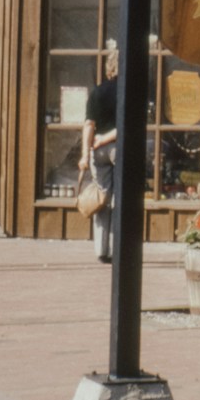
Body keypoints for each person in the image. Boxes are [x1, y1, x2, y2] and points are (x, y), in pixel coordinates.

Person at [79, 43, 118, 263]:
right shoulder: (128, 93)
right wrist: (110, 137)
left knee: (102, 197)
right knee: (119, 198)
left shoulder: (97, 92)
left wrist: (85, 155)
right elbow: (128, 126)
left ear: (108, 68)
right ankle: (116, 248)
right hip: (118, 147)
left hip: (98, 150)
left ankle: (101, 250)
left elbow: (88, 125)